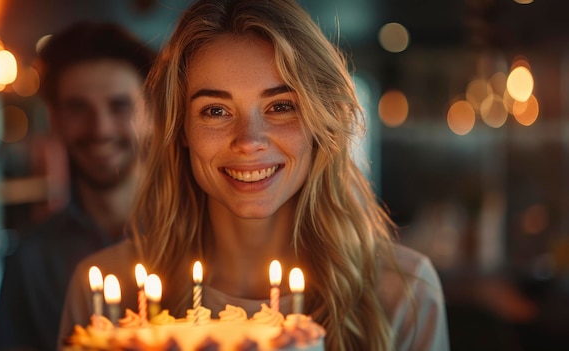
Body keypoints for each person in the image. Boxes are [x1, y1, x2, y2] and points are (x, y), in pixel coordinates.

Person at [58, 1, 450, 350]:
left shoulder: (405, 291)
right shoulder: (107, 291)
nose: (249, 141)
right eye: (215, 111)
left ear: (321, 124)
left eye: (281, 106)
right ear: (180, 130)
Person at [0, 21, 156, 351]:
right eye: (78, 107)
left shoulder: (202, 238)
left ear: (152, 113)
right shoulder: (29, 260)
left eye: (120, 106)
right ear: (55, 118)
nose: (100, 128)